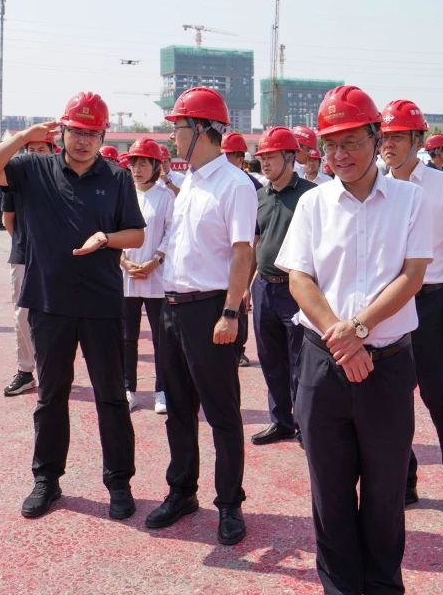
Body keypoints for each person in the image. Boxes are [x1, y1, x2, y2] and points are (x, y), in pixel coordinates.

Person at [276, 85, 431, 594]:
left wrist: (358, 330)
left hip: (386, 366)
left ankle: (384, 586)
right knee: (330, 492)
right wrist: (340, 338)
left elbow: (412, 276)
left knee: (386, 494)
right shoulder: (313, 203)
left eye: (351, 143)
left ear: (376, 137)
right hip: (322, 366)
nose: (340, 155)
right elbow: (299, 277)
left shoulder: (411, 200)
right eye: (330, 145)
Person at [0, 91, 146, 522]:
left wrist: (106, 239)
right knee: (51, 396)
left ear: (103, 136)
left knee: (111, 397)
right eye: (76, 132)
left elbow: (136, 234)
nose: (83, 141)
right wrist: (22, 137)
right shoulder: (32, 169)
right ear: (61, 131)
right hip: (49, 303)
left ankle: (119, 482)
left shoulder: (116, 177)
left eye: (92, 133)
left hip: (102, 304)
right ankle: (47, 480)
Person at [147, 86, 257, 547]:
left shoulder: (235, 184)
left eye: (178, 128)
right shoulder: (189, 181)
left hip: (211, 310)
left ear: (202, 130)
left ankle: (229, 503)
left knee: (222, 413)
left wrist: (230, 312)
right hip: (172, 308)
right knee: (177, 409)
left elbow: (242, 252)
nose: (172, 137)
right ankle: (182, 491)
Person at [379, 98, 443, 515]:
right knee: (392, 396)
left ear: (418, 141)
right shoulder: (376, 185)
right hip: (388, 303)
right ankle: (404, 479)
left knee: (437, 393)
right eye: (383, 137)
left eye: (397, 137)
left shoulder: (442, 186)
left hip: (433, 301)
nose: (388, 145)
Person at [249, 126, 316, 446]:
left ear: (290, 157)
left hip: (296, 290)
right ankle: (281, 422)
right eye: (262, 157)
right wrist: (247, 286)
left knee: (300, 362)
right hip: (264, 287)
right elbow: (255, 242)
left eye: (271, 156)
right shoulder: (259, 196)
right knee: (271, 359)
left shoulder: (310, 195)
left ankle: (304, 423)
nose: (264, 162)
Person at [0, 132, 57, 397]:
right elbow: (8, 219)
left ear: (53, 152)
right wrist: (25, 243)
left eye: (41, 150)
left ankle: (52, 369)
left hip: (56, 258)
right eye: (30, 150)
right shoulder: (16, 181)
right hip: (23, 255)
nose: (35, 155)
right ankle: (25, 371)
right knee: (22, 315)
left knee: (56, 316)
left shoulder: (62, 181)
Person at [121, 137, 175, 414]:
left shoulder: (165, 196)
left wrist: (156, 260)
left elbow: (171, 232)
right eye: (134, 163)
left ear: (156, 166)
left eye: (144, 163)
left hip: (156, 277)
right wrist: (123, 261)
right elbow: (112, 230)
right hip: (126, 276)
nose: (138, 169)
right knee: (126, 337)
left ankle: (162, 390)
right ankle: (128, 388)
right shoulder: (123, 193)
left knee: (161, 338)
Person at [222, 130, 260, 368]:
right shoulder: (218, 183)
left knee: (240, 304)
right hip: (221, 256)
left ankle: (240, 349)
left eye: (230, 155)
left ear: (240, 158)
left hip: (244, 252)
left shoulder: (252, 186)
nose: (225, 160)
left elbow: (255, 233)